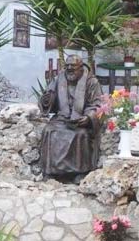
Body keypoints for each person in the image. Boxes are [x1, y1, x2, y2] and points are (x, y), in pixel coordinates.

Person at [39, 54, 102, 183]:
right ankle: (51, 172)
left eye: (73, 66)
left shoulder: (91, 82)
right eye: (67, 66)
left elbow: (97, 105)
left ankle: (80, 172)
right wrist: (47, 100)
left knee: (81, 135)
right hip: (61, 119)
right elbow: (48, 101)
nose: (69, 69)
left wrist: (88, 118)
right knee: (49, 131)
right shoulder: (58, 79)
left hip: (80, 120)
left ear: (81, 67)